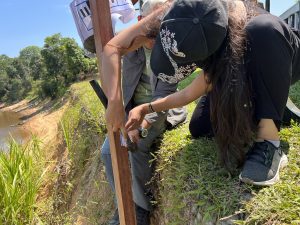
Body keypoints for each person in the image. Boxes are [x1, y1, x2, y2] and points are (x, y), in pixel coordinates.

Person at [101, 0, 300, 187]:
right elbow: (113, 47)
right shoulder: (172, 11)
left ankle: (269, 140)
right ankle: (269, 105)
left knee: (262, 29)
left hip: (277, 52)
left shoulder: (234, 27)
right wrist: (128, 105)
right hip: (231, 61)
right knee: (200, 126)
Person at [100, 0, 187, 224]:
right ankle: (122, 203)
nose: (155, 38)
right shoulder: (129, 46)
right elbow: (109, 56)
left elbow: (163, 99)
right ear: (141, 23)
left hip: (160, 108)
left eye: (162, 30)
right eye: (151, 31)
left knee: (136, 147)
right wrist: (116, 105)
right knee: (108, 151)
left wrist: (143, 127)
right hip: (131, 109)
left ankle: (140, 209)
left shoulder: (170, 51)